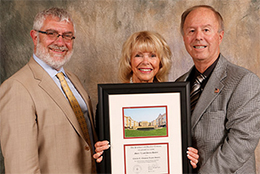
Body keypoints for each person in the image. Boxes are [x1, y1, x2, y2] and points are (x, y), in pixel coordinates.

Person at [0, 7, 97, 173]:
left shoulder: (73, 80)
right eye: (51, 33)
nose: (60, 42)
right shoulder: (17, 88)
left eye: (67, 36)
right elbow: (21, 168)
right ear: (35, 37)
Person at [93, 31, 199, 169]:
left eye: (153, 55)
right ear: (129, 61)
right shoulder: (110, 104)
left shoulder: (175, 103)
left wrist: (188, 158)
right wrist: (101, 154)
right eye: (138, 55)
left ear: (161, 62)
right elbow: (107, 151)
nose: (145, 61)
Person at [176, 5, 260, 173]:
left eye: (206, 30)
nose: (198, 37)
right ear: (184, 38)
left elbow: (241, 143)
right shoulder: (179, 84)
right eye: (191, 31)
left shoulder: (244, 81)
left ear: (220, 36)